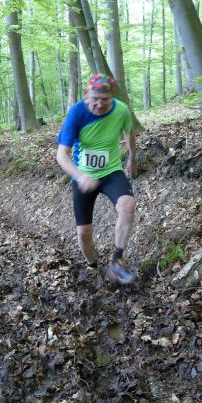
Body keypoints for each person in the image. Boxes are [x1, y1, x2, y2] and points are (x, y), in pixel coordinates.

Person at [56, 74, 137, 285]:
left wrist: (132, 157)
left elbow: (129, 132)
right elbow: (61, 154)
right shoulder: (77, 113)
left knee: (127, 205)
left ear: (113, 97)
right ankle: (93, 266)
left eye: (105, 100)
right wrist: (80, 176)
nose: (100, 104)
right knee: (84, 232)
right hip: (83, 174)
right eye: (95, 99)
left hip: (111, 171)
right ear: (86, 95)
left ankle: (117, 261)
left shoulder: (121, 110)